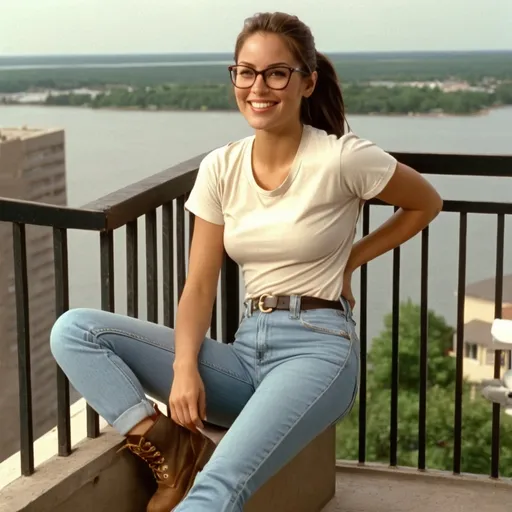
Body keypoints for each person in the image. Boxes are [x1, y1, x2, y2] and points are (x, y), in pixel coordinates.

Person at [50, 11, 443, 512]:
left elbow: (426, 202)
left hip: (317, 351)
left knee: (217, 489)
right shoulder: (221, 166)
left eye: (277, 72)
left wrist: (350, 260)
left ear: (307, 82)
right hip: (246, 351)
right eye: (246, 71)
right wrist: (186, 366)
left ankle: (197, 467)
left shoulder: (343, 158)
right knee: (75, 331)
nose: (259, 86)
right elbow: (198, 284)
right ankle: (171, 445)